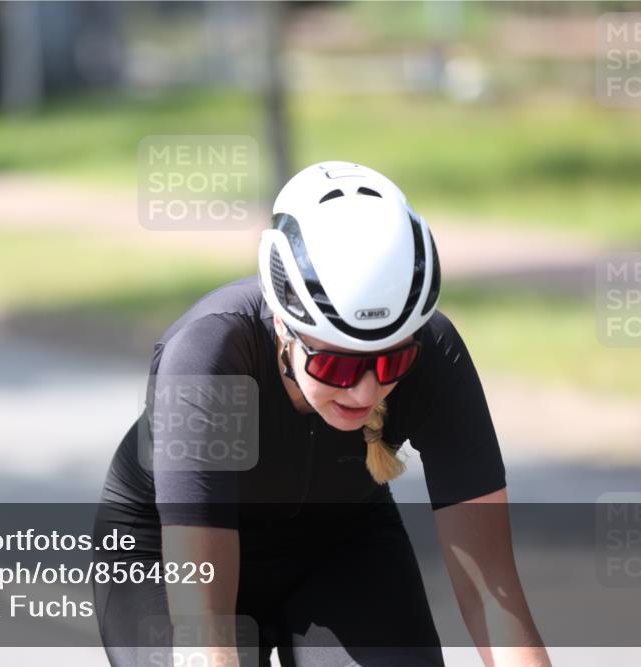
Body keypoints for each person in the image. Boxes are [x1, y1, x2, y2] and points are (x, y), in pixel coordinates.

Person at [93, 162, 551, 666]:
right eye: (335, 364)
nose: (365, 391)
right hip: (165, 550)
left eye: (393, 360)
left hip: (341, 541)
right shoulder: (212, 356)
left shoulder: (436, 353)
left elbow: (494, 595)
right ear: (285, 329)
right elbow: (204, 630)